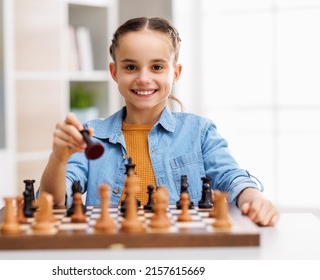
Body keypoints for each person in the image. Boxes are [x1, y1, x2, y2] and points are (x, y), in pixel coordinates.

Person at [40, 17, 279, 226]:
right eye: (131, 67)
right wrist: (58, 158)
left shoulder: (200, 132)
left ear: (175, 73)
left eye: (156, 67)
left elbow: (231, 177)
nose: (143, 78)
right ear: (115, 73)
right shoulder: (90, 135)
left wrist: (254, 198)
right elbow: (51, 203)